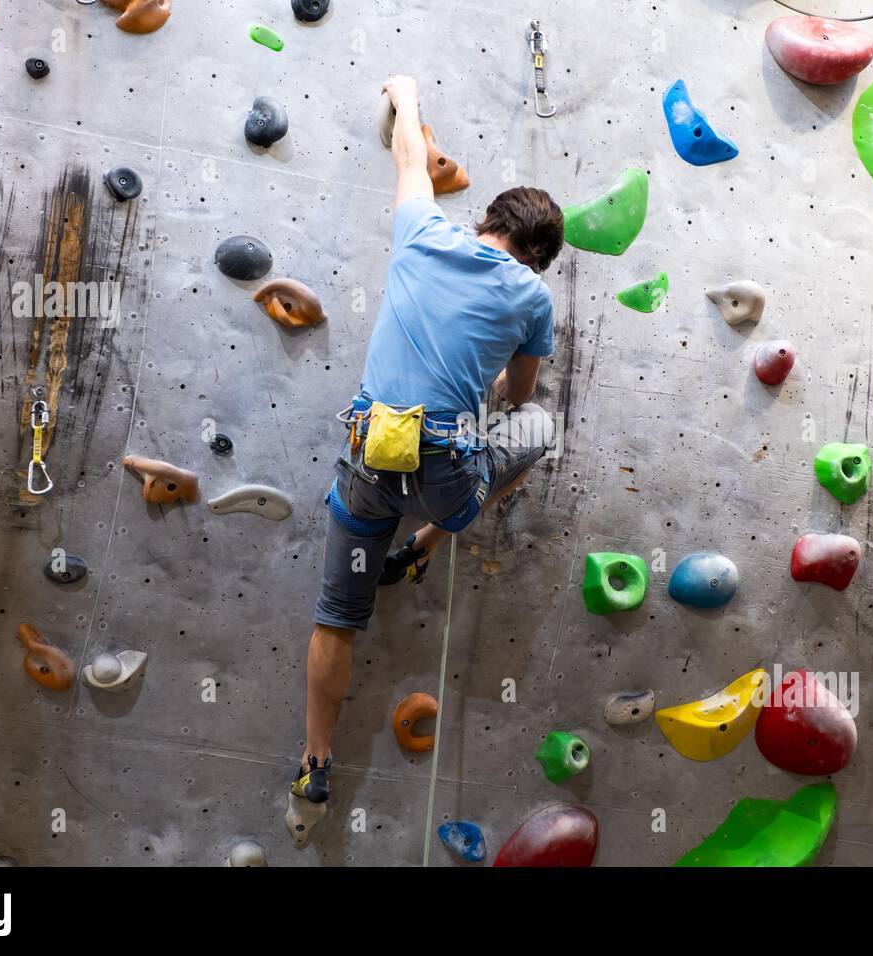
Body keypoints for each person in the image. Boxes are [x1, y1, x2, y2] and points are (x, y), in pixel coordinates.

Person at [292, 75, 565, 806]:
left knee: (336, 619)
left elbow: (410, 156)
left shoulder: (420, 230)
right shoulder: (533, 295)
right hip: (443, 479)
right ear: (538, 256)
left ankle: (315, 764)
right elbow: (521, 398)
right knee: (539, 430)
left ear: (485, 219)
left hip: (368, 467)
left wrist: (405, 97)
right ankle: (423, 550)